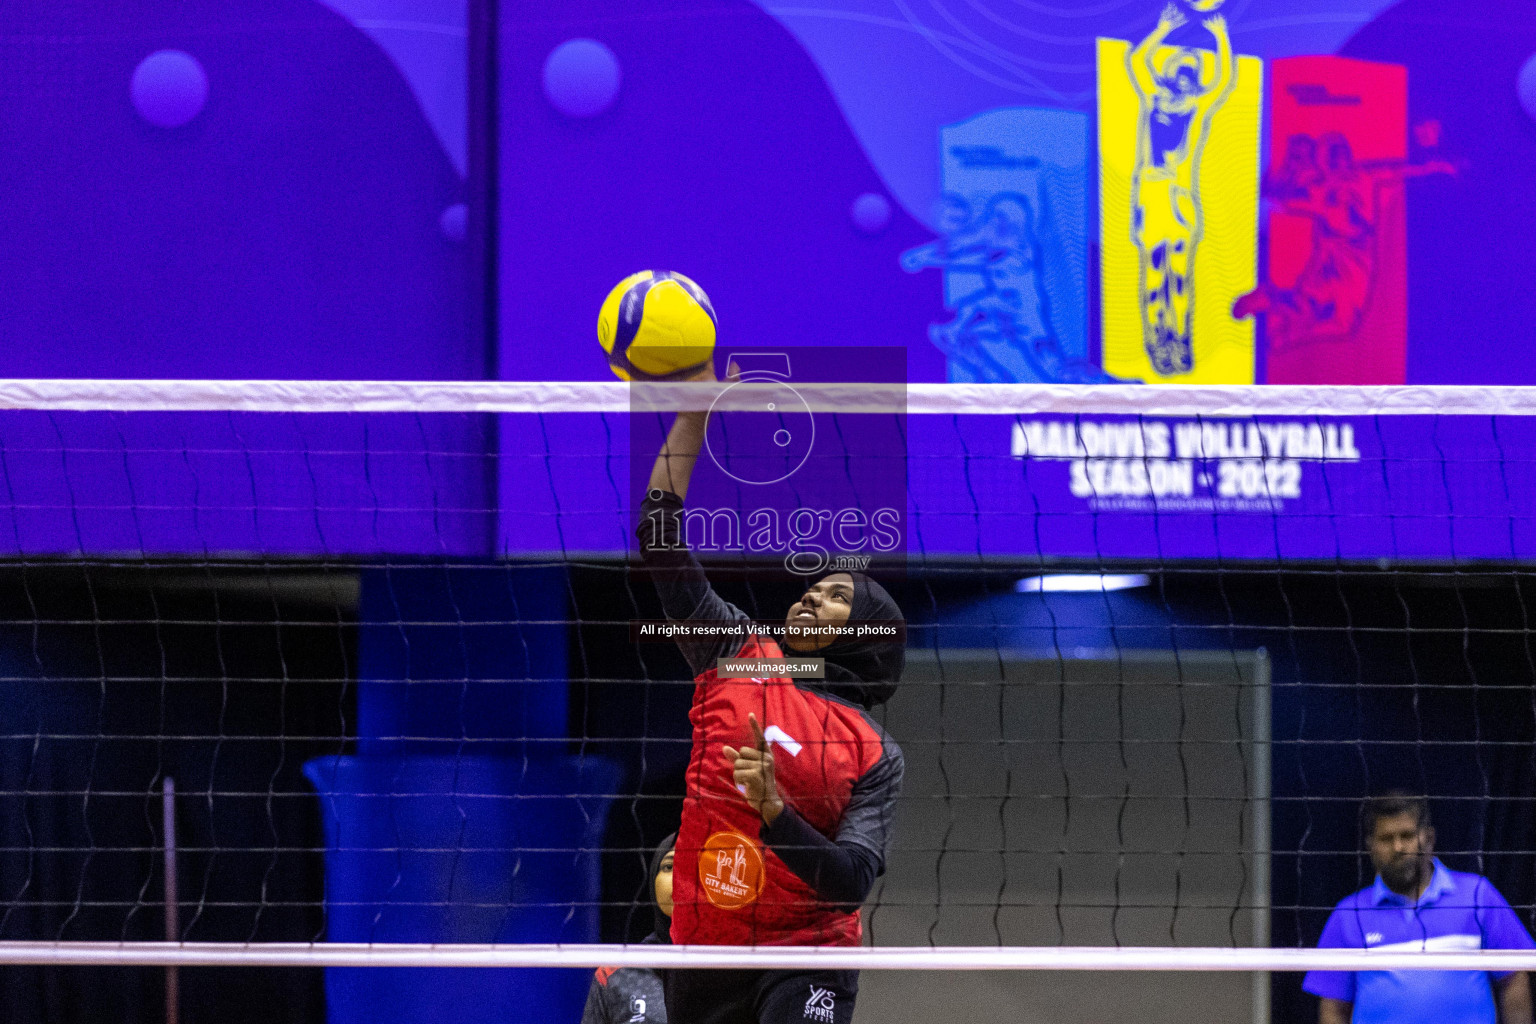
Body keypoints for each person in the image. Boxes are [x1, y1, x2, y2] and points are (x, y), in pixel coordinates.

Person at [635, 364, 906, 1024]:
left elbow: (849, 882)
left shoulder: (876, 754)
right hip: (705, 947)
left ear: (870, 634)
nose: (813, 592)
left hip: (806, 955)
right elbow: (659, 537)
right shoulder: (735, 653)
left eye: (839, 595)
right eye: (815, 586)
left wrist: (775, 811)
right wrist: (695, 411)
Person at [1304, 792, 1534, 1024]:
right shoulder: (1349, 914)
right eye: (1386, 838)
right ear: (1370, 846)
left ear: (1429, 838)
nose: (1398, 847)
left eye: (1407, 835)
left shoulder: (1477, 894)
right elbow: (1333, 1007)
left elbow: (1514, 977)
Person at [1127, 2, 1235, 376]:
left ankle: (1182, 341)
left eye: (1194, 72)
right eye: (1183, 70)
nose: (1188, 75)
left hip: (1182, 199)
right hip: (1153, 194)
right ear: (1171, 73)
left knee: (1181, 276)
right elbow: (1138, 62)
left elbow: (1223, 84)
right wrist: (1161, 32)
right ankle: (1158, 342)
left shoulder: (1197, 107)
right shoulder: (1153, 98)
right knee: (1156, 273)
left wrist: (1221, 40)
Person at [581, 835, 676, 1024]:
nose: (682, 878)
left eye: (695, 866)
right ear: (652, 882)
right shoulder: (617, 973)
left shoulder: (741, 966)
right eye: (669, 867)